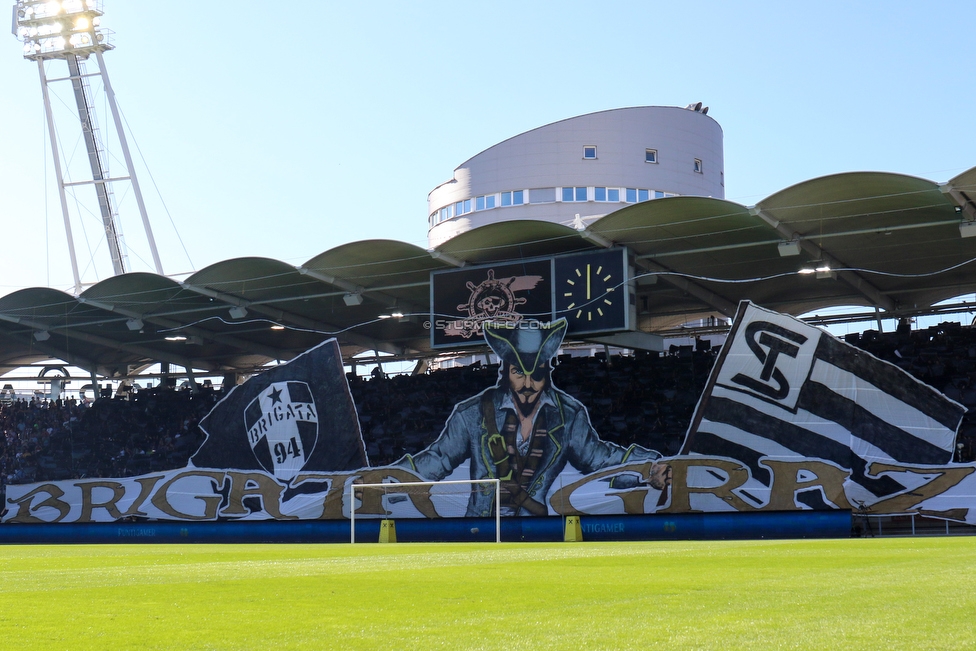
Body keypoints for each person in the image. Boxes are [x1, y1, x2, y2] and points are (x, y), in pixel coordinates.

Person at [398, 319, 669, 516]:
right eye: (519, 373)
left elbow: (599, 459)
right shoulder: (472, 413)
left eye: (536, 375)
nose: (528, 384)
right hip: (480, 526)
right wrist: (388, 482)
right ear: (505, 372)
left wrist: (648, 469)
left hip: (537, 525)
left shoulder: (569, 416)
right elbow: (437, 460)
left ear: (547, 373)